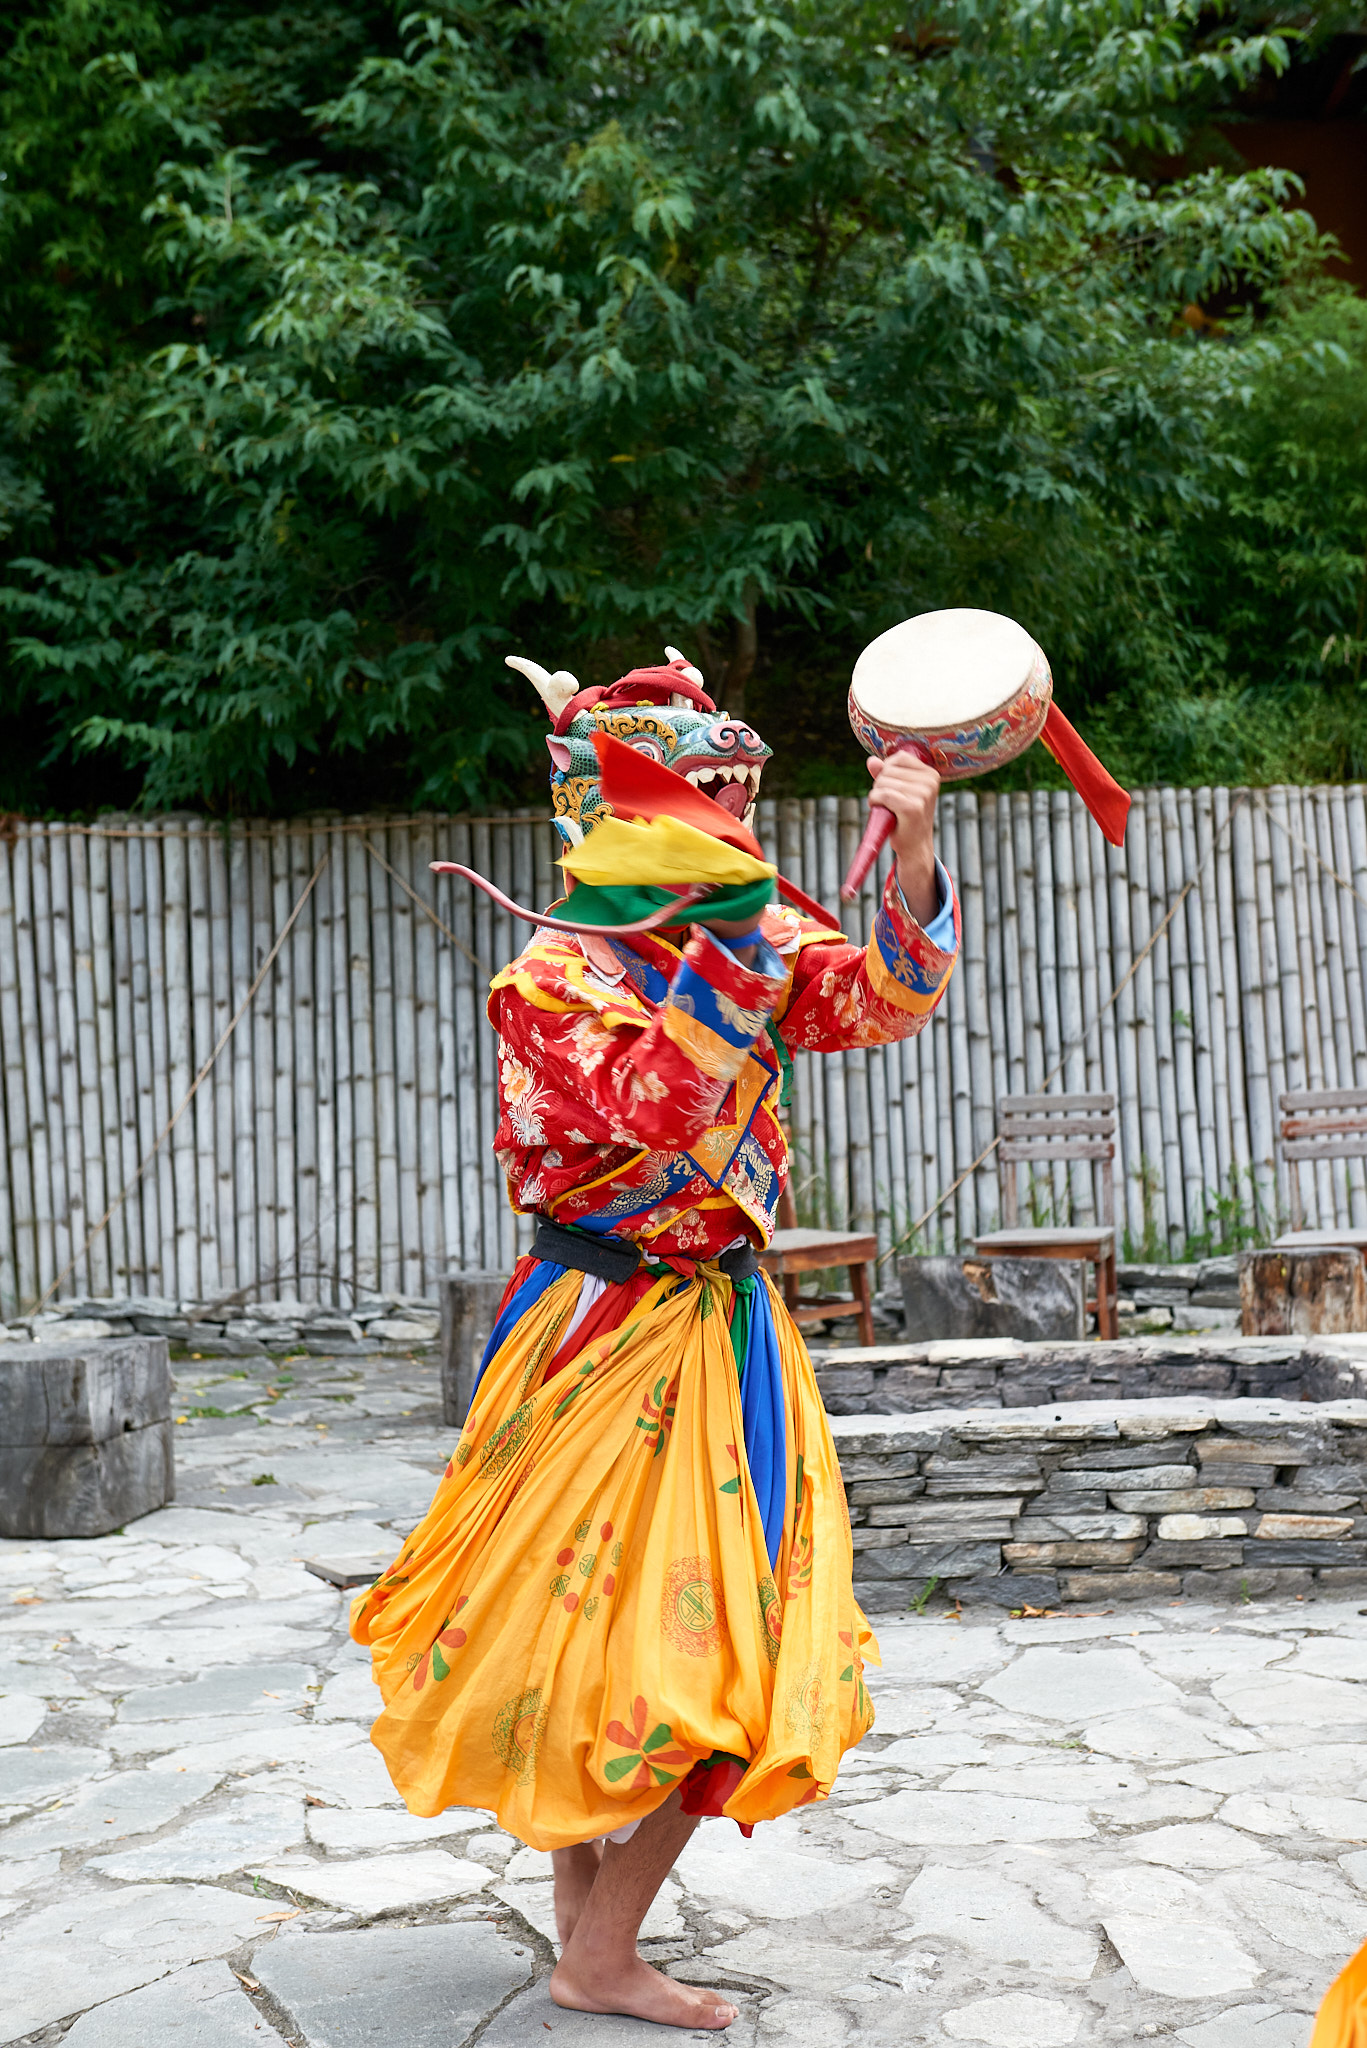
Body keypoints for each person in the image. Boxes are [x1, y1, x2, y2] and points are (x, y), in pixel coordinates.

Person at [350, 651, 960, 2031]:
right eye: (700, 807)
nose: (735, 834)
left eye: (732, 811)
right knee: (574, 1640)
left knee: (725, 1649)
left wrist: (914, 852)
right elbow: (665, 1103)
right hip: (595, 1327)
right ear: (615, 821)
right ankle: (595, 1939)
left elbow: (879, 999)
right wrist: (736, 942)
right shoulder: (552, 979)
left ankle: (593, 1935)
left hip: (718, 1327)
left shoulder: (738, 934)